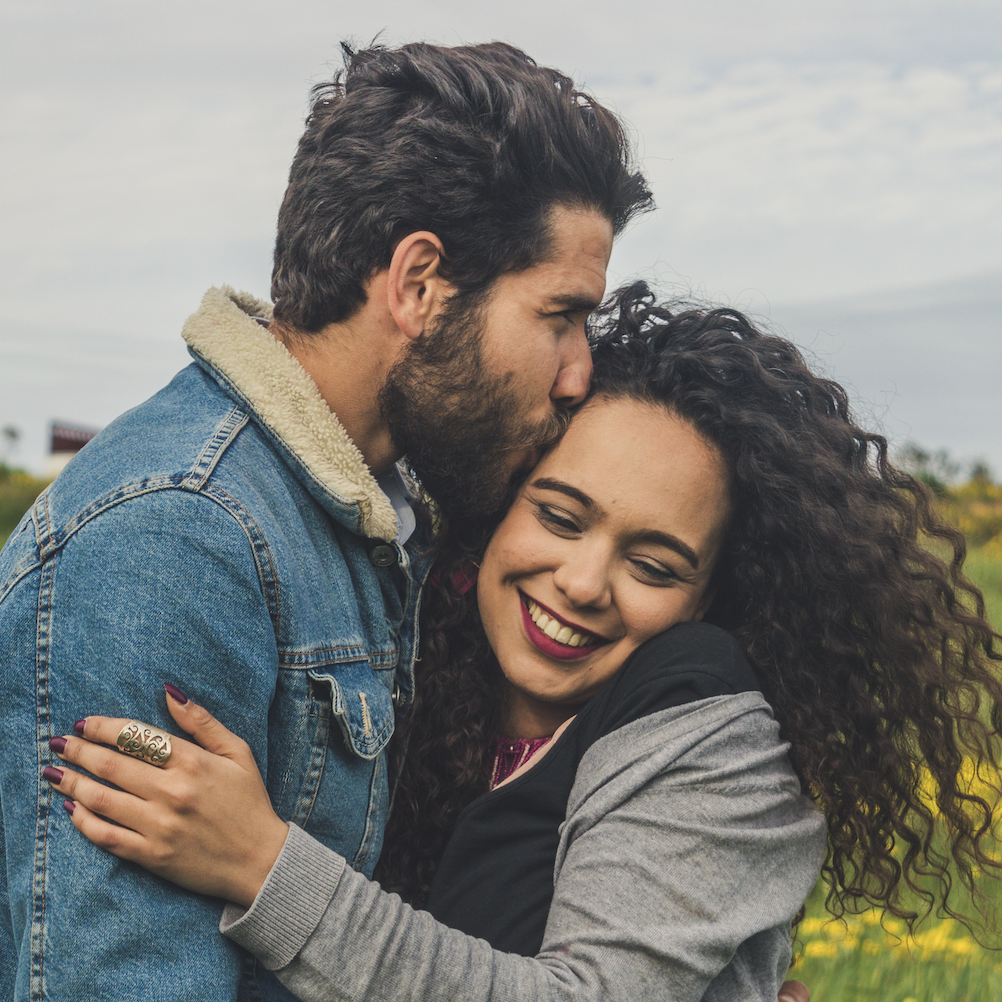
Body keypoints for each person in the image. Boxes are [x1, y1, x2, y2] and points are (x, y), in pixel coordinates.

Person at [45, 286, 1002, 1001]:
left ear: (714, 597)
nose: (583, 583)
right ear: (501, 505)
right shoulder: (406, 668)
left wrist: (263, 867)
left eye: (656, 565)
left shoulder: (713, 734)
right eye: (560, 513)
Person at [0, 41, 653, 1001]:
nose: (578, 373)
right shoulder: (176, 543)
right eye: (560, 314)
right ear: (420, 284)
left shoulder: (379, 513)